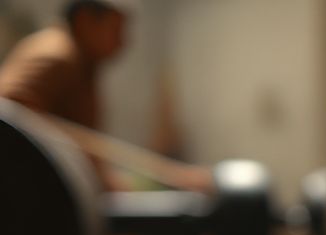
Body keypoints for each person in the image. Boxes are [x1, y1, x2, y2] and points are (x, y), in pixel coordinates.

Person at [0, 0, 211, 191]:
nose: (123, 42)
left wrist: (110, 180)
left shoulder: (78, 58)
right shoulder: (57, 53)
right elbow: (10, 117)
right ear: (84, 20)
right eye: (117, 29)